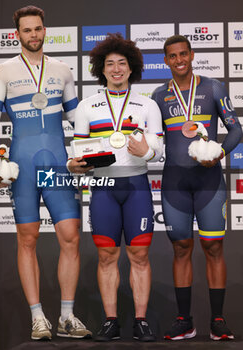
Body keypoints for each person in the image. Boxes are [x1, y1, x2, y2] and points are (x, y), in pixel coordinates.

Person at [0, 5, 92, 341]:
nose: (33, 35)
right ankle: (37, 317)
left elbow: (78, 119)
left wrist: (102, 146)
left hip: (58, 163)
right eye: (27, 30)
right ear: (17, 35)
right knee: (27, 238)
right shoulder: (2, 71)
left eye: (38, 29)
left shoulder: (62, 70)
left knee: (71, 236)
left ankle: (67, 317)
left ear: (46, 31)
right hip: (24, 165)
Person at [68, 33, 163, 342]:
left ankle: (141, 321)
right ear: (101, 68)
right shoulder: (87, 106)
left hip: (136, 184)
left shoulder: (147, 105)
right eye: (110, 64)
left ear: (131, 67)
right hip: (104, 186)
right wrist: (75, 164)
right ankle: (111, 320)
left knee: (139, 254)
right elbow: (78, 150)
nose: (117, 69)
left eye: (122, 63)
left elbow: (159, 148)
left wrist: (146, 153)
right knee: (107, 255)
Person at [152, 35, 243, 341]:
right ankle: (184, 321)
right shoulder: (157, 95)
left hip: (209, 181)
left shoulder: (213, 87)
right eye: (172, 56)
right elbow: (153, 139)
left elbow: (236, 129)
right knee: (181, 247)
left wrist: (219, 153)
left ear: (192, 55)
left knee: (214, 247)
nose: (179, 60)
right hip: (175, 183)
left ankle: (217, 320)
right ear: (165, 61)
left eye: (183, 54)